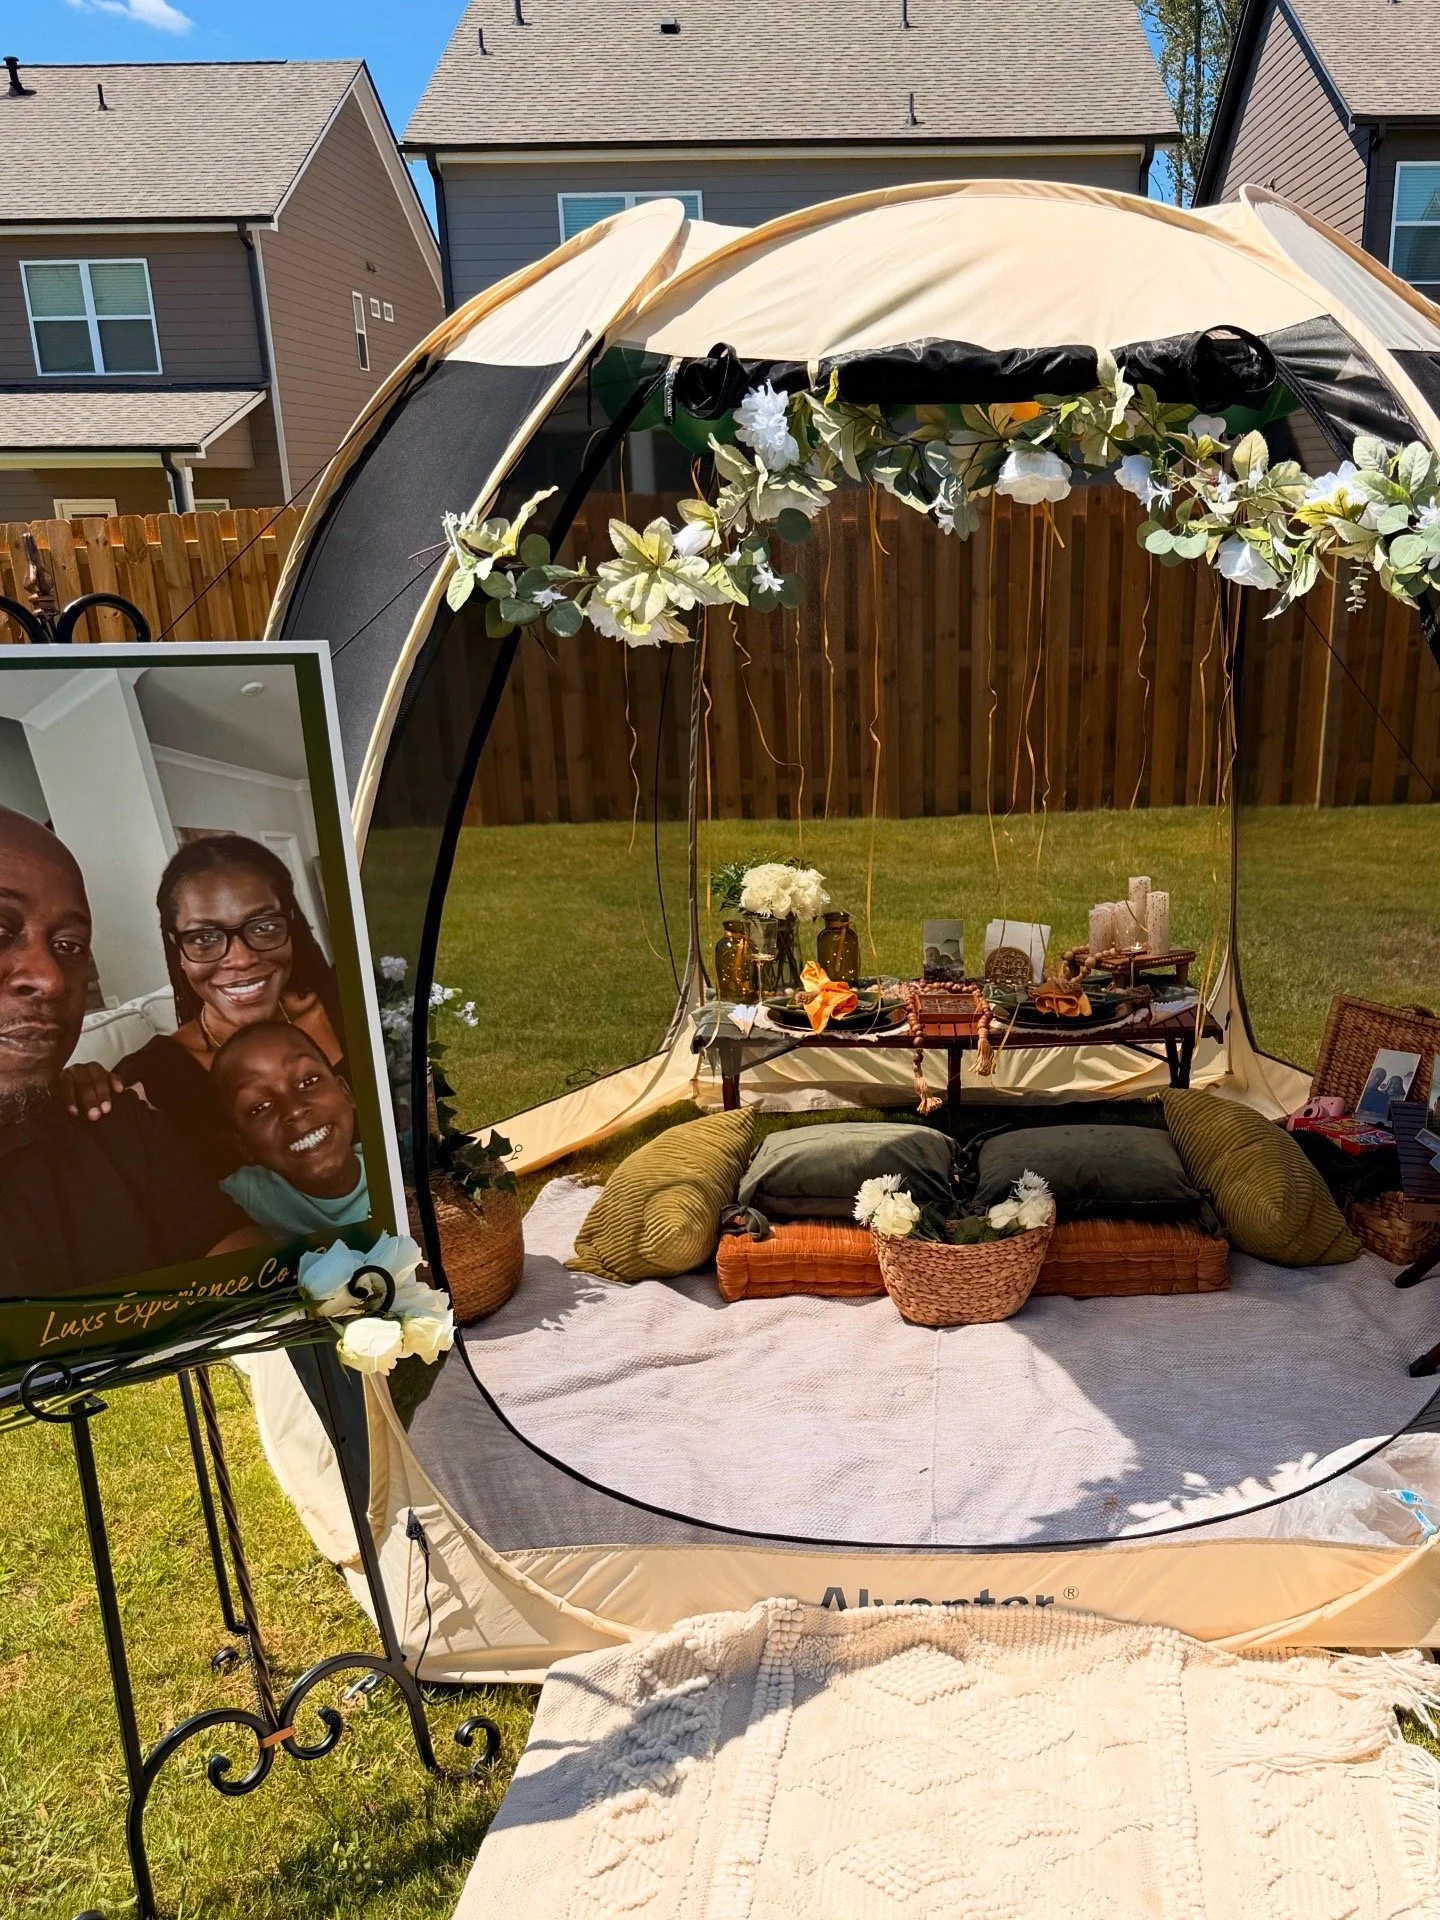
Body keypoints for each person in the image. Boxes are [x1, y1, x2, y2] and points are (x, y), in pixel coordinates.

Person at [0, 809, 258, 1301]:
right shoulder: (150, 1073)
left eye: (69, 945)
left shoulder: (114, 1123)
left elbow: (252, 1283)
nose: (51, 978)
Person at [63, 835, 347, 1179]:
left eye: (265, 926)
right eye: (203, 938)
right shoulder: (152, 1080)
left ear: (291, 923)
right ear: (176, 947)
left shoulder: (350, 1005)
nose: (241, 959)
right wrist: (71, 1097)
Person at [212, 1024, 370, 1241]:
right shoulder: (234, 1200)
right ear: (244, 1147)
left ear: (345, 1092)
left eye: (308, 1081)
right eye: (260, 1107)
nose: (294, 1110)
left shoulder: (396, 1165)